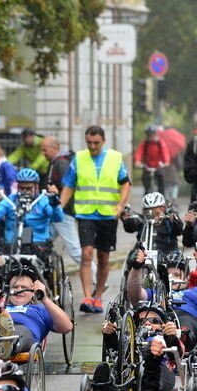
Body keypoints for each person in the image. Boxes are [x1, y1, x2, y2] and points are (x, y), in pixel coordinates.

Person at [58, 125, 131, 313]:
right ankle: (87, 297)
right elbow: (68, 185)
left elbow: (125, 183)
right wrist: (59, 206)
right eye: (89, 142)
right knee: (86, 253)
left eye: (96, 143)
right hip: (85, 213)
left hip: (108, 214)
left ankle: (98, 296)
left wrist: (120, 205)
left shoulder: (115, 158)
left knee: (104, 257)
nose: (92, 146)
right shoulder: (79, 158)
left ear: (103, 141)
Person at [125, 247, 197, 345]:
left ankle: (177, 341)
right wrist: (136, 268)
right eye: (168, 274)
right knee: (145, 321)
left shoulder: (195, 292)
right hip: (157, 320)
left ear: (187, 278)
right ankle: (150, 347)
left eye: (176, 274)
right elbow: (135, 297)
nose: (171, 278)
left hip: (186, 318)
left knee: (185, 326)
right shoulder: (154, 292)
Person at [0, 263, 73, 358]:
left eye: (24, 288)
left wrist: (44, 298)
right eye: (15, 287)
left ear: (33, 292)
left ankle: (9, 344)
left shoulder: (39, 309)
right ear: (8, 290)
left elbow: (67, 326)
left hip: (23, 333)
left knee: (19, 332)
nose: (19, 291)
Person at [0, 168, 64, 258]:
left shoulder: (42, 200)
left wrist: (54, 203)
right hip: (12, 245)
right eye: (22, 188)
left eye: (29, 188)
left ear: (37, 188)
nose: (25, 191)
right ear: (18, 187)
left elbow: (58, 218)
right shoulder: (10, 200)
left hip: (38, 244)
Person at [41, 136, 81, 266]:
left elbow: (68, 187)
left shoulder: (61, 163)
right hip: (55, 212)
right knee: (41, 240)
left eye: (45, 150)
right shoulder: (55, 162)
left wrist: (59, 202)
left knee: (75, 250)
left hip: (63, 213)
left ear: (55, 148)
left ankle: (97, 278)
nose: (43, 154)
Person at [134, 126, 171, 196]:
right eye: (148, 135)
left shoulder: (160, 143)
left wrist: (166, 161)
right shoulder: (145, 143)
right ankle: (146, 198)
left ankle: (162, 199)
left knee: (162, 182)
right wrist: (137, 161)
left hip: (158, 166)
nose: (150, 137)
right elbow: (139, 152)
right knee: (146, 183)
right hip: (148, 167)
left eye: (151, 135)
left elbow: (165, 152)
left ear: (155, 134)